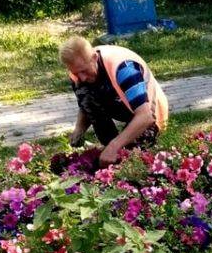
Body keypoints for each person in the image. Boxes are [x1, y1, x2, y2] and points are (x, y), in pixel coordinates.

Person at [59, 37, 169, 166]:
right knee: (110, 158)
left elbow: (145, 117)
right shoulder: (78, 74)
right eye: (76, 73)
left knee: (132, 158)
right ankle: (108, 145)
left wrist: (114, 146)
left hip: (148, 111)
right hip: (117, 102)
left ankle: (114, 148)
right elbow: (86, 103)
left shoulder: (124, 68)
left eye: (84, 71)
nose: (82, 77)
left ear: (94, 57)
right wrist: (79, 129)